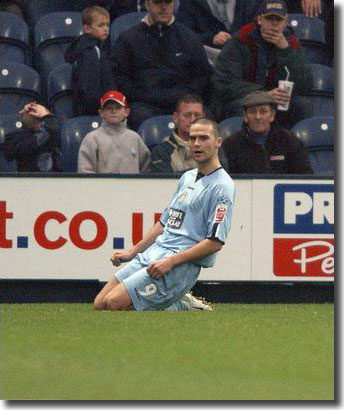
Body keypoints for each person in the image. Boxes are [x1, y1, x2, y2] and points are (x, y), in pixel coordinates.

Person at [93, 117, 235, 311]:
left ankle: (179, 304)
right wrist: (133, 252)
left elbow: (215, 242)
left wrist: (170, 262)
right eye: (192, 138)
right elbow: (165, 222)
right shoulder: (187, 177)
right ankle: (177, 301)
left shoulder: (222, 186)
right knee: (100, 304)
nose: (196, 144)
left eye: (204, 138)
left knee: (114, 303)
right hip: (156, 253)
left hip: (178, 265)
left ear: (218, 142)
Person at [112, 0, 213, 131]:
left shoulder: (189, 37)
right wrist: (145, 95)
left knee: (207, 119)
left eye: (168, 3)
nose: (164, 7)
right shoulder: (128, 39)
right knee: (141, 118)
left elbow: (202, 75)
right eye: (158, 3)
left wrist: (184, 97)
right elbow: (120, 78)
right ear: (147, 5)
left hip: (183, 102)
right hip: (145, 104)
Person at [211, 0, 313, 125]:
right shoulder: (240, 40)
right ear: (260, 20)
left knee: (302, 106)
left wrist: (286, 51)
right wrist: (262, 94)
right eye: (270, 19)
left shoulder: (291, 43)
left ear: (285, 23)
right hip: (246, 99)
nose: (274, 25)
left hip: (276, 101)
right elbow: (224, 82)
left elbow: (305, 83)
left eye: (279, 20)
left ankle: (293, 143)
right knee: (240, 107)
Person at [222, 90, 313, 174]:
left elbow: (305, 177)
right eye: (252, 112)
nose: (258, 117)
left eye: (263, 111)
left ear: (272, 115)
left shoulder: (289, 141)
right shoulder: (230, 145)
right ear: (245, 116)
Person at [78, 90, 150, 173]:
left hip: (132, 186)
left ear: (126, 112)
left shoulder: (135, 138)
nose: (114, 111)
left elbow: (147, 171)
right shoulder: (92, 139)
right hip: (102, 186)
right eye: (109, 108)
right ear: (101, 113)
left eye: (118, 108)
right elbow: (85, 173)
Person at [64, 6, 115, 116]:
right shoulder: (91, 51)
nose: (106, 29)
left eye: (107, 25)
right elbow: (90, 87)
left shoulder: (84, 47)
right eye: (101, 25)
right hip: (95, 111)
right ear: (87, 28)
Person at [176, 0, 263, 64]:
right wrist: (211, 38)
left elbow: (259, 30)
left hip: (246, 58)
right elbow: (181, 35)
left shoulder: (252, 2)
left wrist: (237, 38)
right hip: (206, 59)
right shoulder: (190, 3)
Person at [150, 94, 204, 174]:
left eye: (197, 115)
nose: (192, 120)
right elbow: (163, 184)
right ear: (176, 118)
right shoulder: (161, 151)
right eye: (187, 115)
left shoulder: (214, 148)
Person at [4, 102, 62, 172]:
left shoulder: (50, 138)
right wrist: (46, 115)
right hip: (29, 181)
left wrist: (45, 115)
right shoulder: (24, 142)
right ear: (40, 124)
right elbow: (53, 131)